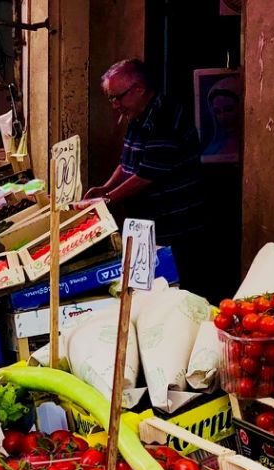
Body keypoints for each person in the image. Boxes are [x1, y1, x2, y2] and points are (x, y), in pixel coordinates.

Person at [83, 58, 218, 296]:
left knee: (182, 290)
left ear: (139, 89)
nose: (115, 105)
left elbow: (148, 174)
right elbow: (127, 164)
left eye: (118, 97)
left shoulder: (165, 115)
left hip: (179, 225)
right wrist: (105, 188)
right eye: (111, 98)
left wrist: (108, 200)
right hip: (151, 224)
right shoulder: (136, 115)